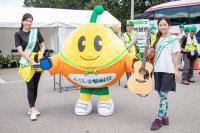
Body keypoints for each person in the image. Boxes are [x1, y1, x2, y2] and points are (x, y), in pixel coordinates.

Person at [150, 16, 180, 130]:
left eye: (164, 24)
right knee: (162, 96)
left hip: (168, 70)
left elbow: (174, 57)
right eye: (160, 25)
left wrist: (176, 70)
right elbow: (155, 54)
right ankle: (165, 117)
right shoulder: (157, 39)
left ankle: (158, 119)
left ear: (169, 25)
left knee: (163, 95)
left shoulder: (173, 39)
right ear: (158, 26)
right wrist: (150, 50)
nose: (162, 27)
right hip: (158, 69)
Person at [14, 13, 45, 121]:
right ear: (22, 21)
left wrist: (40, 56)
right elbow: (20, 50)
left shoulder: (36, 32)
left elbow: (43, 46)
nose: (28, 23)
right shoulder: (18, 34)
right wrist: (31, 61)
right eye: (26, 20)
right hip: (27, 62)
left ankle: (32, 107)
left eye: (30, 21)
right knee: (30, 86)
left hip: (37, 60)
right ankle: (32, 108)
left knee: (35, 86)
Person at [122, 21, 139, 87]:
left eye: (128, 26)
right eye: (126, 26)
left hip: (133, 53)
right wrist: (124, 48)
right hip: (126, 53)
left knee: (134, 68)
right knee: (127, 68)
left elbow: (132, 42)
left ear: (132, 27)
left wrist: (127, 47)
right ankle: (129, 82)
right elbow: (123, 42)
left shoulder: (135, 33)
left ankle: (135, 81)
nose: (127, 27)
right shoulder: (124, 34)